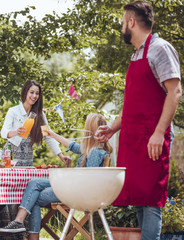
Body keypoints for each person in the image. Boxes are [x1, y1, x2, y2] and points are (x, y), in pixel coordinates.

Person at [95, 2, 182, 240]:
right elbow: (134, 102)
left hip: (153, 135)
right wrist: (113, 128)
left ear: (131, 22)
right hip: (134, 136)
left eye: (123, 21)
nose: (121, 26)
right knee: (140, 198)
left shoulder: (161, 49)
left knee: (151, 199)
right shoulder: (136, 54)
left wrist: (158, 133)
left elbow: (175, 92)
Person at [0, 113, 113, 240]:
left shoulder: (95, 152)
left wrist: (66, 177)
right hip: (72, 186)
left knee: (34, 196)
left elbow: (87, 180)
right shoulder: (91, 148)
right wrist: (52, 134)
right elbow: (72, 146)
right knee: (34, 183)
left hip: (76, 192)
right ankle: (19, 222)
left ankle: (24, 228)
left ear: (89, 131)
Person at [0, 80, 68, 166]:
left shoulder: (40, 114)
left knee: (26, 179)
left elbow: (48, 136)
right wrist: (15, 132)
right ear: (25, 92)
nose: (34, 96)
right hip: (10, 155)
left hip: (27, 156)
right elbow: (3, 132)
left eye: (37, 93)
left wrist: (61, 156)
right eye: (31, 92)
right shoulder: (13, 111)